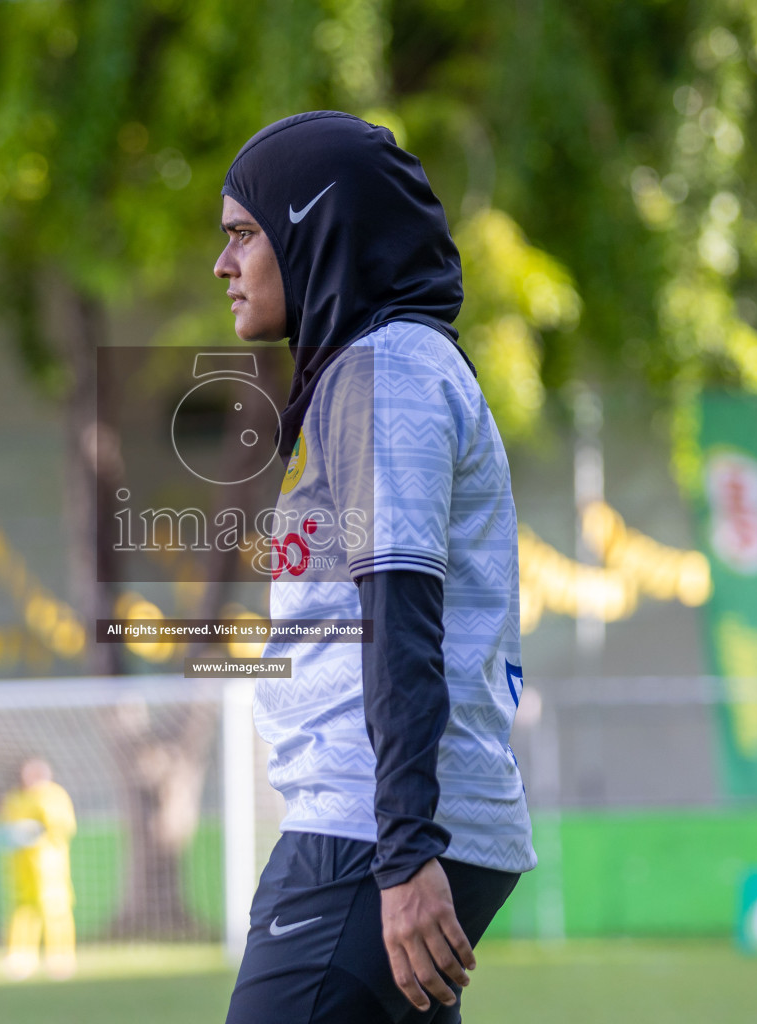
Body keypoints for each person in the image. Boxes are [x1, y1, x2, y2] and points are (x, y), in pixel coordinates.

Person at [214, 111, 537, 1023]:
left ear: (314, 228)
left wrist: (401, 852)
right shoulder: (383, 367)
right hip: (391, 824)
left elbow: (398, 615)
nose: (223, 265)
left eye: (244, 234)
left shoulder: (385, 370)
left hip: (369, 830)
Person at [0, 757, 78, 980]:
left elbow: (63, 826)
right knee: (23, 909)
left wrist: (35, 831)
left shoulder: (54, 796)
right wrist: (13, 834)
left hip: (49, 865)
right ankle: (21, 957)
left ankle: (61, 958)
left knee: (55, 909)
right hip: (21, 866)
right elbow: (4, 828)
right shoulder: (15, 798)